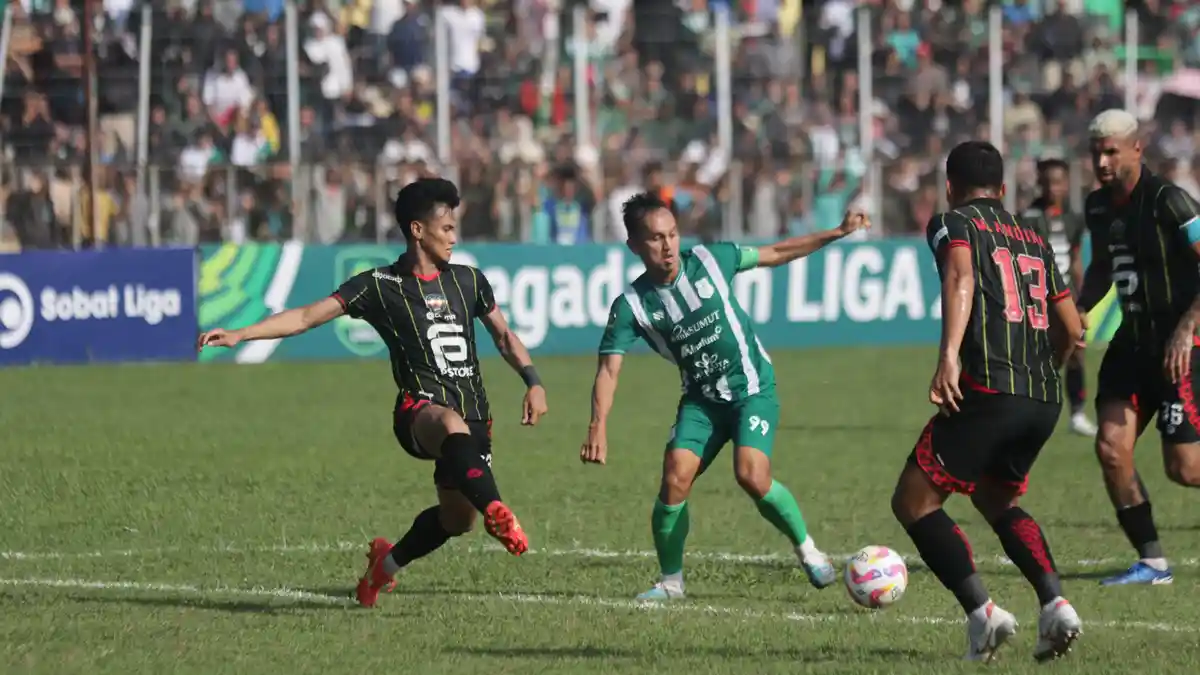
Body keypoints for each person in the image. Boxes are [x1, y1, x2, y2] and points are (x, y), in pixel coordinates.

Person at [198, 177, 548, 608]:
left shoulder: (469, 280)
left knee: (457, 520)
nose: (454, 237)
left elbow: (505, 336)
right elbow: (306, 317)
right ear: (417, 230)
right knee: (448, 423)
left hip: (475, 416)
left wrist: (533, 381)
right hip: (419, 410)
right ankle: (497, 509)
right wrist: (241, 334)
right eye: (446, 228)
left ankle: (385, 565)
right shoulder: (379, 285)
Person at [579, 192, 867, 601]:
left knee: (751, 474)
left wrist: (838, 232)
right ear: (634, 246)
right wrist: (598, 425)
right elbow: (609, 369)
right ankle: (671, 584)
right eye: (656, 238)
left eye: (673, 234)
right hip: (702, 402)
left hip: (752, 390)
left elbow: (777, 252)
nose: (668, 246)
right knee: (675, 477)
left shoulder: (712, 260)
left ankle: (808, 549)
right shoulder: (632, 306)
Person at [890, 141, 1085, 662]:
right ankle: (1056, 604)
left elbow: (960, 275)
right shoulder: (1035, 236)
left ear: (949, 187)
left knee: (913, 501)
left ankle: (983, 615)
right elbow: (1072, 327)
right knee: (998, 499)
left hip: (990, 388)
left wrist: (949, 356)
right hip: (1043, 397)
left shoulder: (953, 223)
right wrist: (1048, 368)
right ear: (1003, 189)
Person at [1076, 109, 1200, 587]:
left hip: (1179, 348)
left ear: (1136, 149)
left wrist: (1187, 327)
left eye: (1111, 152)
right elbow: (1103, 267)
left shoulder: (1170, 201)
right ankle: (1152, 563)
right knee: (1111, 448)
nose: (1102, 162)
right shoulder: (1097, 207)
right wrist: (1081, 310)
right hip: (1131, 344)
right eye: (1096, 153)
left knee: (1185, 469)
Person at [1023, 159, 1097, 436]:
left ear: (1067, 184)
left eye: (1058, 182)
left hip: (1067, 298)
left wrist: (1082, 299)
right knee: (1038, 356)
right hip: (1038, 299)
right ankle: (1032, 409)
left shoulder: (1074, 218)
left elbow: (1075, 259)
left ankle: (1077, 414)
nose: (1053, 188)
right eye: (1047, 182)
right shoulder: (1028, 217)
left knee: (1077, 351)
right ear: (1039, 184)